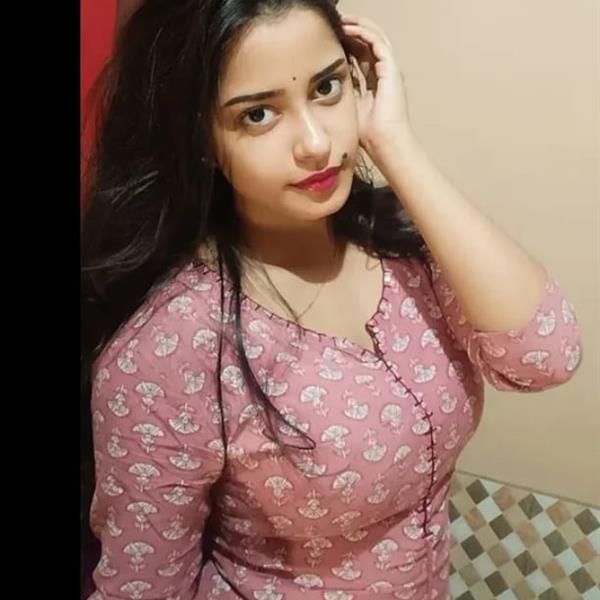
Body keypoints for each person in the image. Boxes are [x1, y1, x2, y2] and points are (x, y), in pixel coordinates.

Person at [80, 1, 583, 598]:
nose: (318, 143)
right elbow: (143, 586)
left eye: (326, 87)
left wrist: (394, 144)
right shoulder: (171, 345)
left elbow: (546, 357)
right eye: (258, 114)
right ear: (199, 138)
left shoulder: (404, 250)